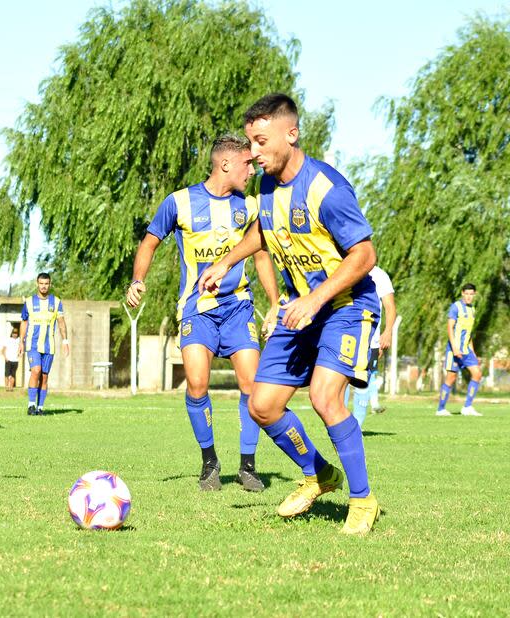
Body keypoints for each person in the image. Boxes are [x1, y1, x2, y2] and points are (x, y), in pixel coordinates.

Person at [199, 93, 380, 535]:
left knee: (324, 397)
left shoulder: (327, 190)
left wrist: (315, 300)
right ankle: (320, 474)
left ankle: (362, 500)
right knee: (262, 406)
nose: (252, 153)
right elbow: (262, 231)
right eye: (249, 143)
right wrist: (226, 261)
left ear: (291, 134)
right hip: (300, 310)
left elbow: (365, 255)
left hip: (344, 305)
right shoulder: (265, 186)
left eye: (260, 142)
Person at [127, 133, 280, 492]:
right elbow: (149, 242)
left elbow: (260, 256)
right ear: (226, 163)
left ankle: (248, 465)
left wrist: (273, 304)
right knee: (197, 383)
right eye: (246, 163)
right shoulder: (179, 202)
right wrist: (137, 280)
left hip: (239, 307)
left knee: (251, 384)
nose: (251, 169)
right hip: (196, 309)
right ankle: (209, 462)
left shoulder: (251, 206)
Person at [349, 266, 396, 426]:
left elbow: (390, 307)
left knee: (364, 381)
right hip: (345, 335)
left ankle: (357, 427)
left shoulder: (379, 275)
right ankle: (339, 425)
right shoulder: (343, 268)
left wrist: (388, 332)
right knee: (340, 380)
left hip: (372, 340)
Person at [18, 273, 69, 415]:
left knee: (44, 376)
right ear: (37, 284)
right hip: (32, 345)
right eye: (41, 283)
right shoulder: (28, 302)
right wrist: (21, 341)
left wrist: (65, 341)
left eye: (46, 283)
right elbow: (24, 322)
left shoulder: (56, 302)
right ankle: (31, 405)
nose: (44, 286)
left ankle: (40, 408)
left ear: (50, 284)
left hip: (49, 345)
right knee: (36, 371)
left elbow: (61, 323)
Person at [436, 283, 482, 416]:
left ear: (474, 295)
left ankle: (467, 407)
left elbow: (469, 332)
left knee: (477, 374)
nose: (468, 297)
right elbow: (450, 328)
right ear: (462, 293)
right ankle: (441, 409)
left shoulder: (472, 309)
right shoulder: (455, 307)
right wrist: (455, 347)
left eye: (471, 294)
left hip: (467, 350)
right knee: (451, 378)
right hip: (454, 350)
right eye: (466, 294)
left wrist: (472, 350)